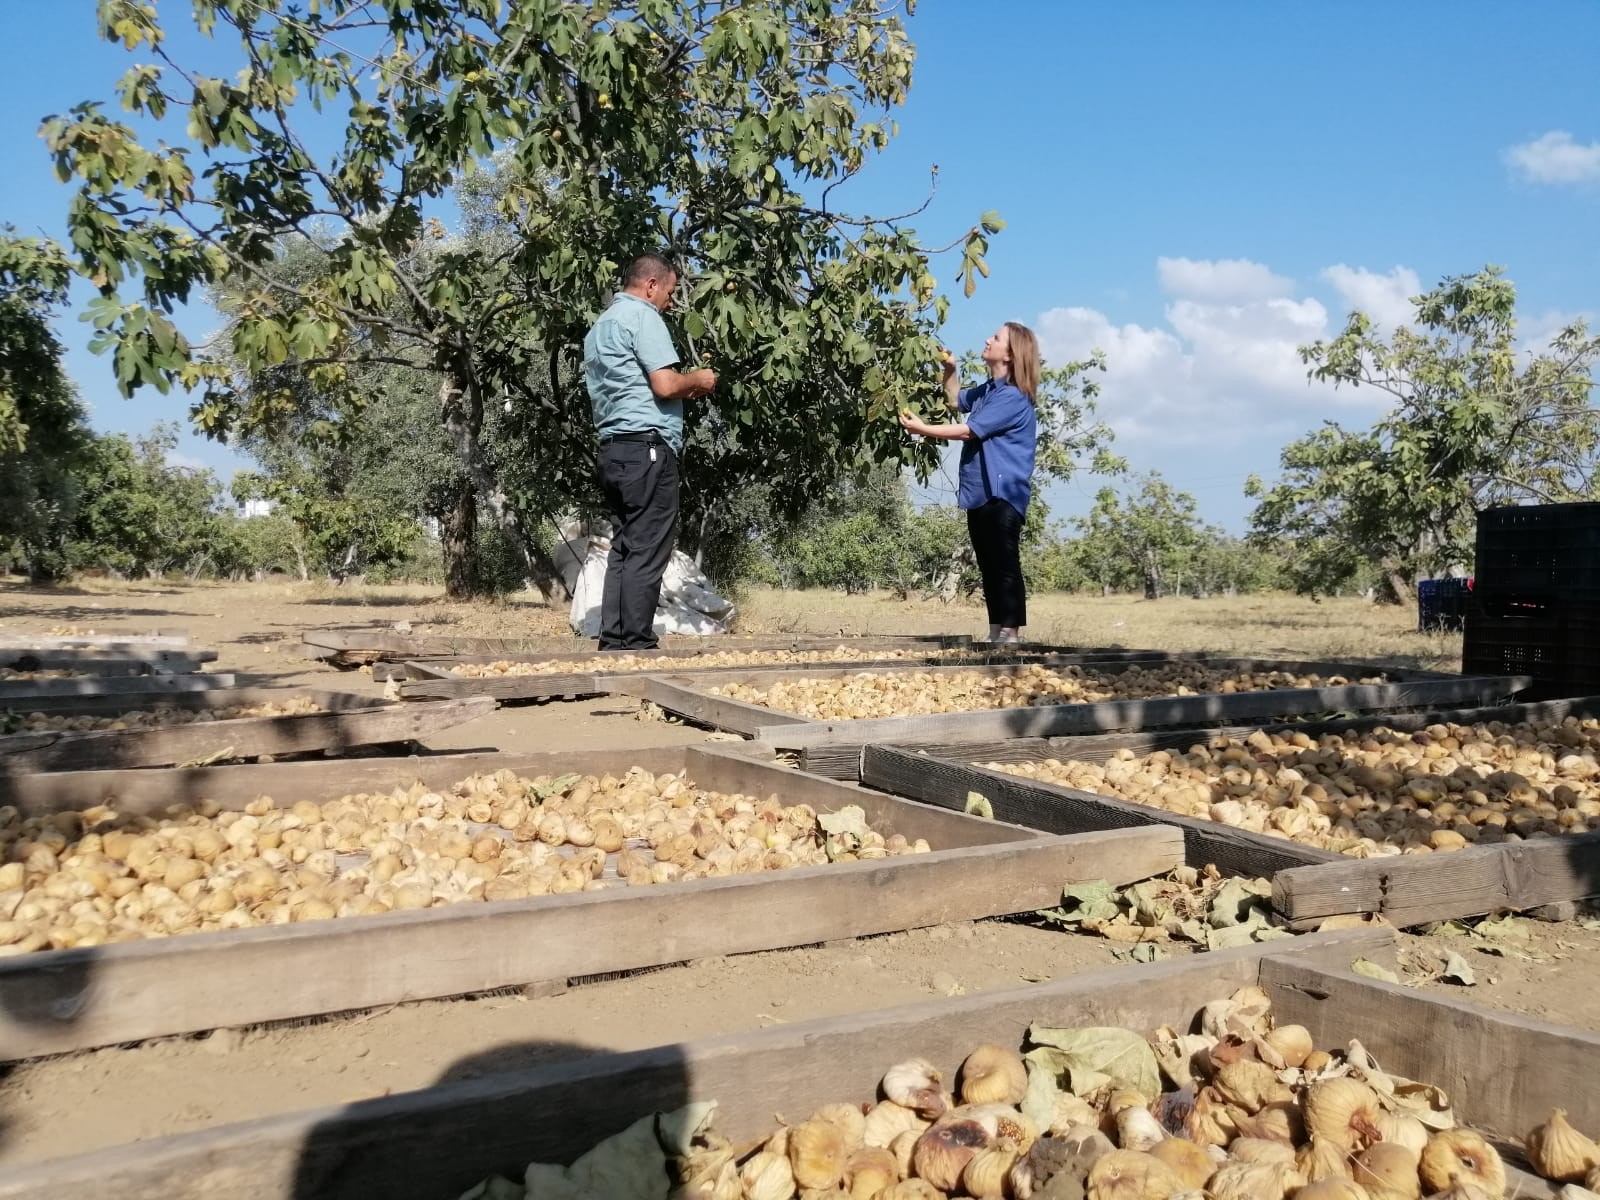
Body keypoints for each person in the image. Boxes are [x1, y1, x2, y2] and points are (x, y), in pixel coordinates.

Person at [583, 252, 717, 651]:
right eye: (670, 292)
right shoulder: (643, 317)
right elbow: (662, 384)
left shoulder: (600, 327)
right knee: (648, 546)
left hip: (614, 448)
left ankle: (615, 640)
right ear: (651, 285)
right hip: (648, 448)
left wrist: (680, 387)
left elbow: (635, 388)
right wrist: (699, 379)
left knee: (624, 546)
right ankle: (638, 642)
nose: (670, 302)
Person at [899, 322, 1040, 644]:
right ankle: (996, 632)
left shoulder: (1014, 397)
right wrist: (950, 369)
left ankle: (1010, 632)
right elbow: (954, 401)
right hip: (980, 493)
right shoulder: (990, 391)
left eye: (996, 338)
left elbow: (967, 430)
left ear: (1011, 353)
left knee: (1004, 563)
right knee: (988, 563)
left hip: (1003, 492)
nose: (987, 339)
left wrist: (922, 429)